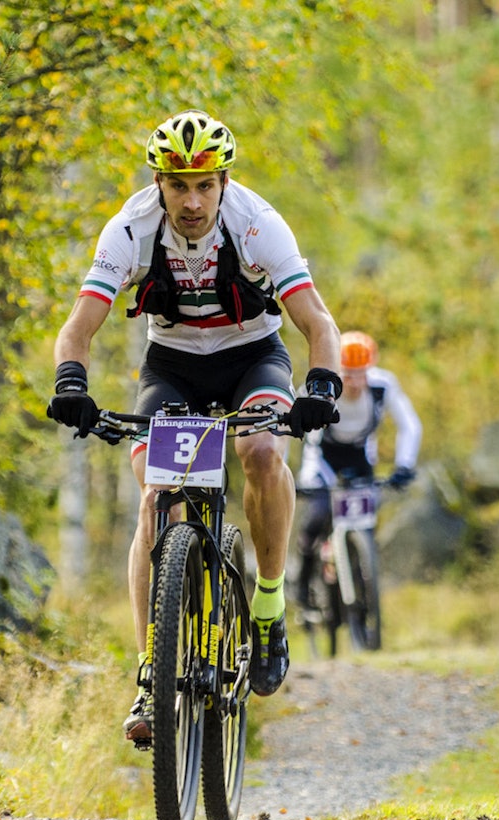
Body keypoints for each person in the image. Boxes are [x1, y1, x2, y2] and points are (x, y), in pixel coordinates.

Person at [47, 109, 343, 742]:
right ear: (158, 181)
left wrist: (321, 385)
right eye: (178, 184)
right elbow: (79, 324)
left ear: (223, 181)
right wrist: (71, 381)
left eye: (204, 184)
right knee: (156, 495)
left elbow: (318, 323)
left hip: (252, 356)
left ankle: (267, 604)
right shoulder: (129, 227)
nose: (191, 200)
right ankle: (153, 671)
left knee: (261, 450)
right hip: (173, 366)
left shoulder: (259, 223)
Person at [292, 331, 423, 609]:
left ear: (370, 368)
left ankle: (362, 569)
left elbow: (409, 425)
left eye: (361, 373)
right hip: (323, 456)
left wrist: (404, 466)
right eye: (348, 374)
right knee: (317, 515)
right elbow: (300, 430)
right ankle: (302, 583)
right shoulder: (320, 387)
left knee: (368, 517)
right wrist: (301, 479)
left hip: (359, 455)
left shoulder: (383, 386)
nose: (354, 381)